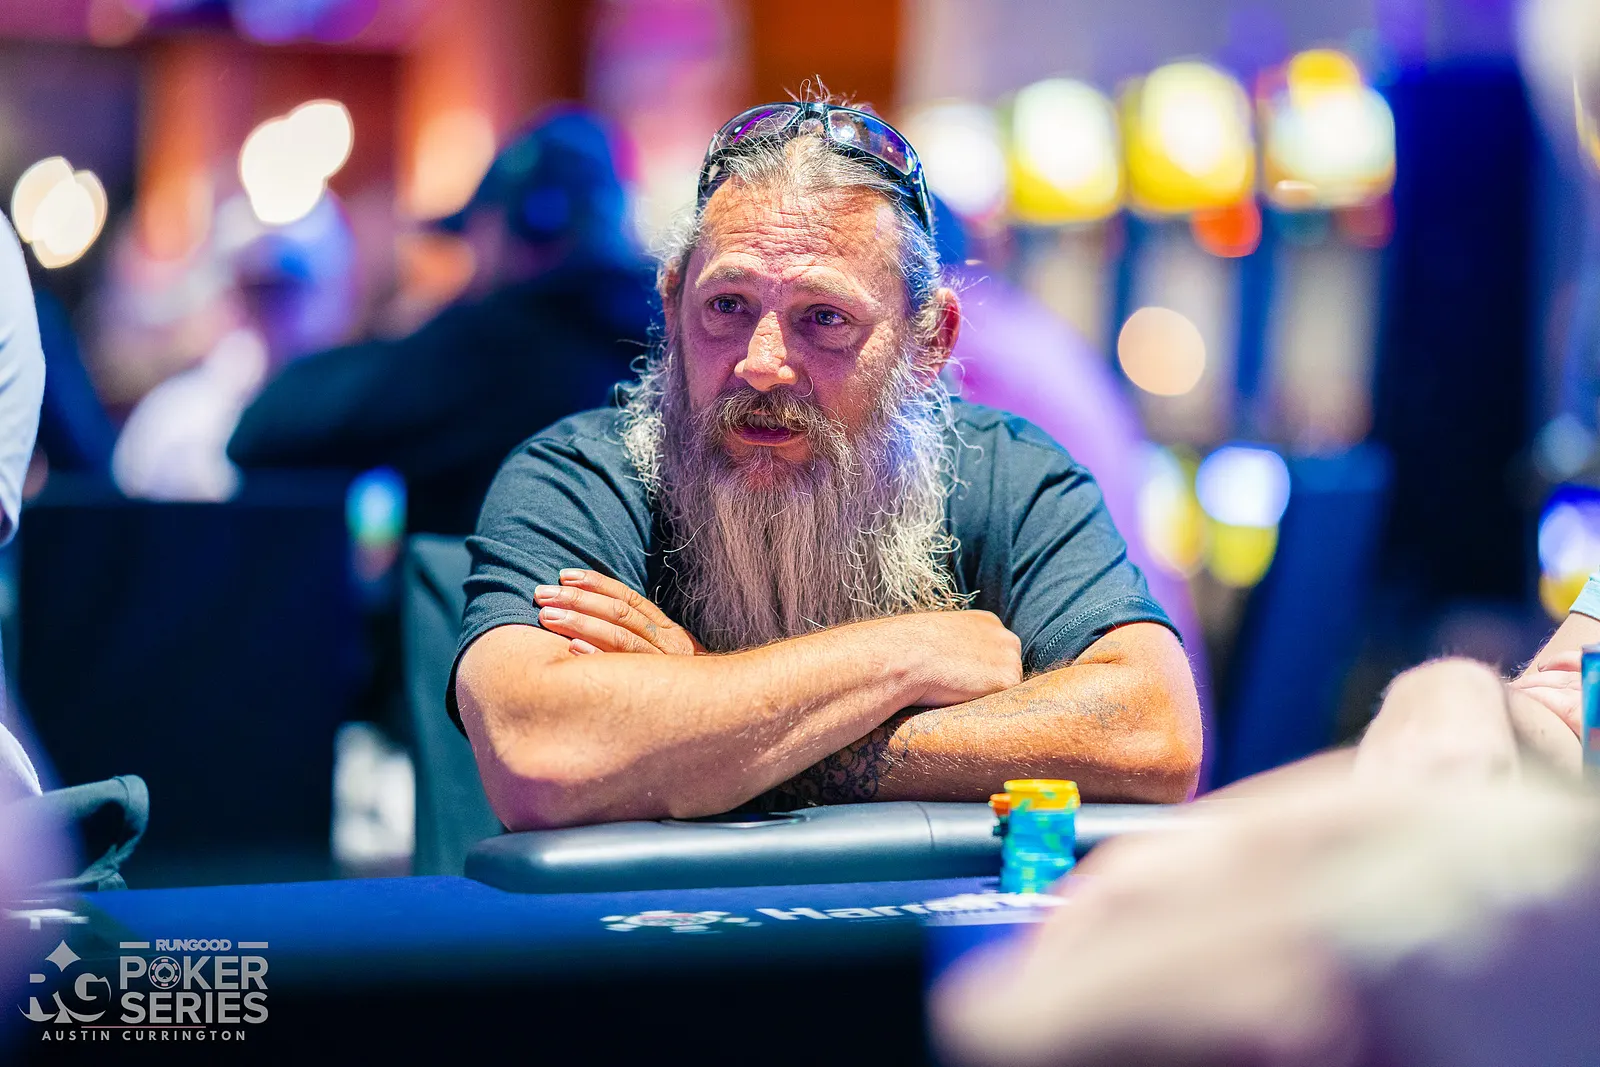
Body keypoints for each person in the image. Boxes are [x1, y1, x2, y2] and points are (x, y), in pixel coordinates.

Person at [451, 98, 1203, 832]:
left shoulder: (1010, 473)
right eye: (727, 306)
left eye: (824, 318)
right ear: (674, 306)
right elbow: (539, 752)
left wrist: (706, 715)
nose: (762, 363)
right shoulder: (575, 477)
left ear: (929, 344)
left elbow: (1152, 732)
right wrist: (907, 655)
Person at [228, 108, 657, 535]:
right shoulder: (660, 344)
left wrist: (414, 329)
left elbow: (263, 427)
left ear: (528, 224)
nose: (470, 258)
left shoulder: (489, 348)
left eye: (475, 233)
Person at [112, 194, 358, 501]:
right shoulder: (175, 421)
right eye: (256, 290)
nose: (272, 314)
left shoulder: (355, 418)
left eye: (285, 291)